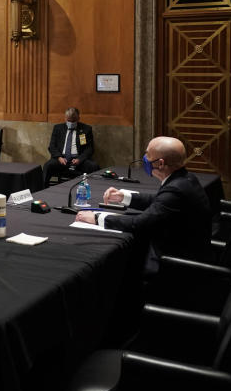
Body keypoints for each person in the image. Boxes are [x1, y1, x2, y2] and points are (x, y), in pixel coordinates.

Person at [75, 136, 211, 274]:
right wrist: (124, 197)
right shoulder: (186, 178)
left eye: (147, 154)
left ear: (161, 163)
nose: (144, 157)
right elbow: (159, 200)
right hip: (187, 249)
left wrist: (97, 218)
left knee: (114, 266)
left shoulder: (176, 189)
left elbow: (139, 224)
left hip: (176, 264)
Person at [41, 107, 99, 185]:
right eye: (69, 120)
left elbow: (89, 149)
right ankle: (43, 189)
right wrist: (59, 158)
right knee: (47, 166)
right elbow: (52, 146)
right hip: (61, 159)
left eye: (73, 121)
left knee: (93, 166)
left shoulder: (85, 129)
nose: (71, 123)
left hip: (79, 160)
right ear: (65, 118)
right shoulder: (58, 128)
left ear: (78, 118)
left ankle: (93, 189)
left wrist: (79, 159)